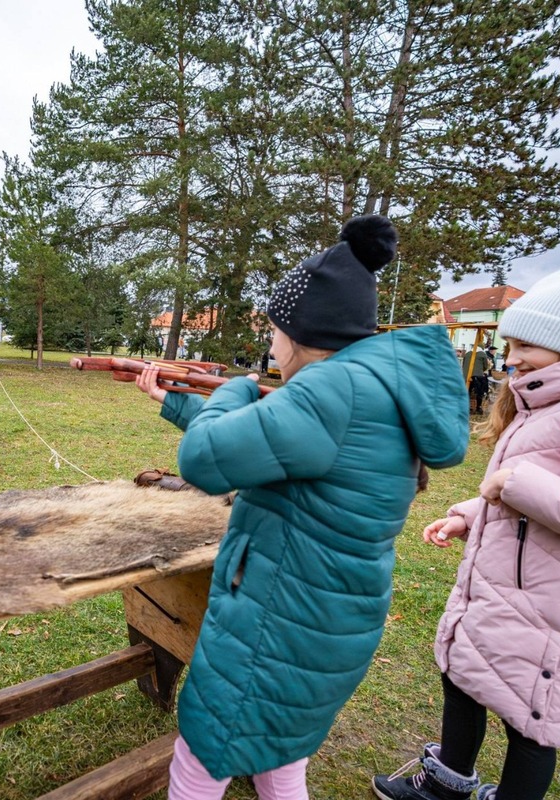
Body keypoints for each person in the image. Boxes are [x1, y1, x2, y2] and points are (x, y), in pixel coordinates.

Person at [135, 215, 470, 800]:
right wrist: (176, 400)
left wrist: (236, 387)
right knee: (279, 756)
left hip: (276, 618)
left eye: (273, 332)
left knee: (201, 755)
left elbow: (206, 459)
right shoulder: (371, 388)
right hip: (323, 619)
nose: (269, 344)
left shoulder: (329, 393)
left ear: (299, 334)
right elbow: (280, 448)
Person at [372, 265, 560, 800]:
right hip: (510, 595)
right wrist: (470, 512)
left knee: (529, 728)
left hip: (556, 610)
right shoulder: (550, 403)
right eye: (510, 344)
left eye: (525, 344)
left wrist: (516, 483)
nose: (511, 359)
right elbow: (525, 495)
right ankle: (447, 784)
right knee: (463, 679)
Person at [462, 345, 492, 415]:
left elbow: (463, 365)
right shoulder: (482, 354)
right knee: (479, 392)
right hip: (478, 376)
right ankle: (478, 407)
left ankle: (467, 407)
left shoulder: (467, 354)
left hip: (466, 376)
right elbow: (485, 366)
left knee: (467, 392)